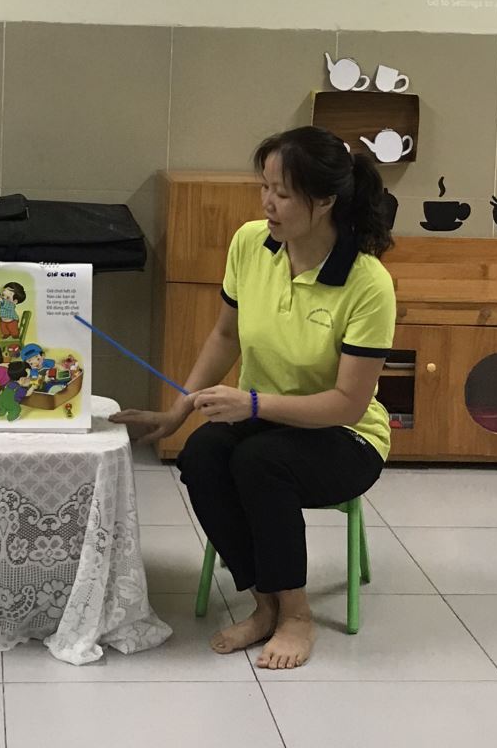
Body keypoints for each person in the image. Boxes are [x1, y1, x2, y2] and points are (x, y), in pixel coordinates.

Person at [111, 127, 396, 670]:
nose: (266, 203)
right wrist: (177, 411)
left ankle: (297, 615)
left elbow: (348, 404)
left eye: (282, 193)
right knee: (202, 454)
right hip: (264, 417)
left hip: (346, 437)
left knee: (259, 461)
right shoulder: (250, 243)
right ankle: (265, 603)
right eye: (264, 187)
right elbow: (225, 336)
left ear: (325, 201)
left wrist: (255, 405)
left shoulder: (368, 283)